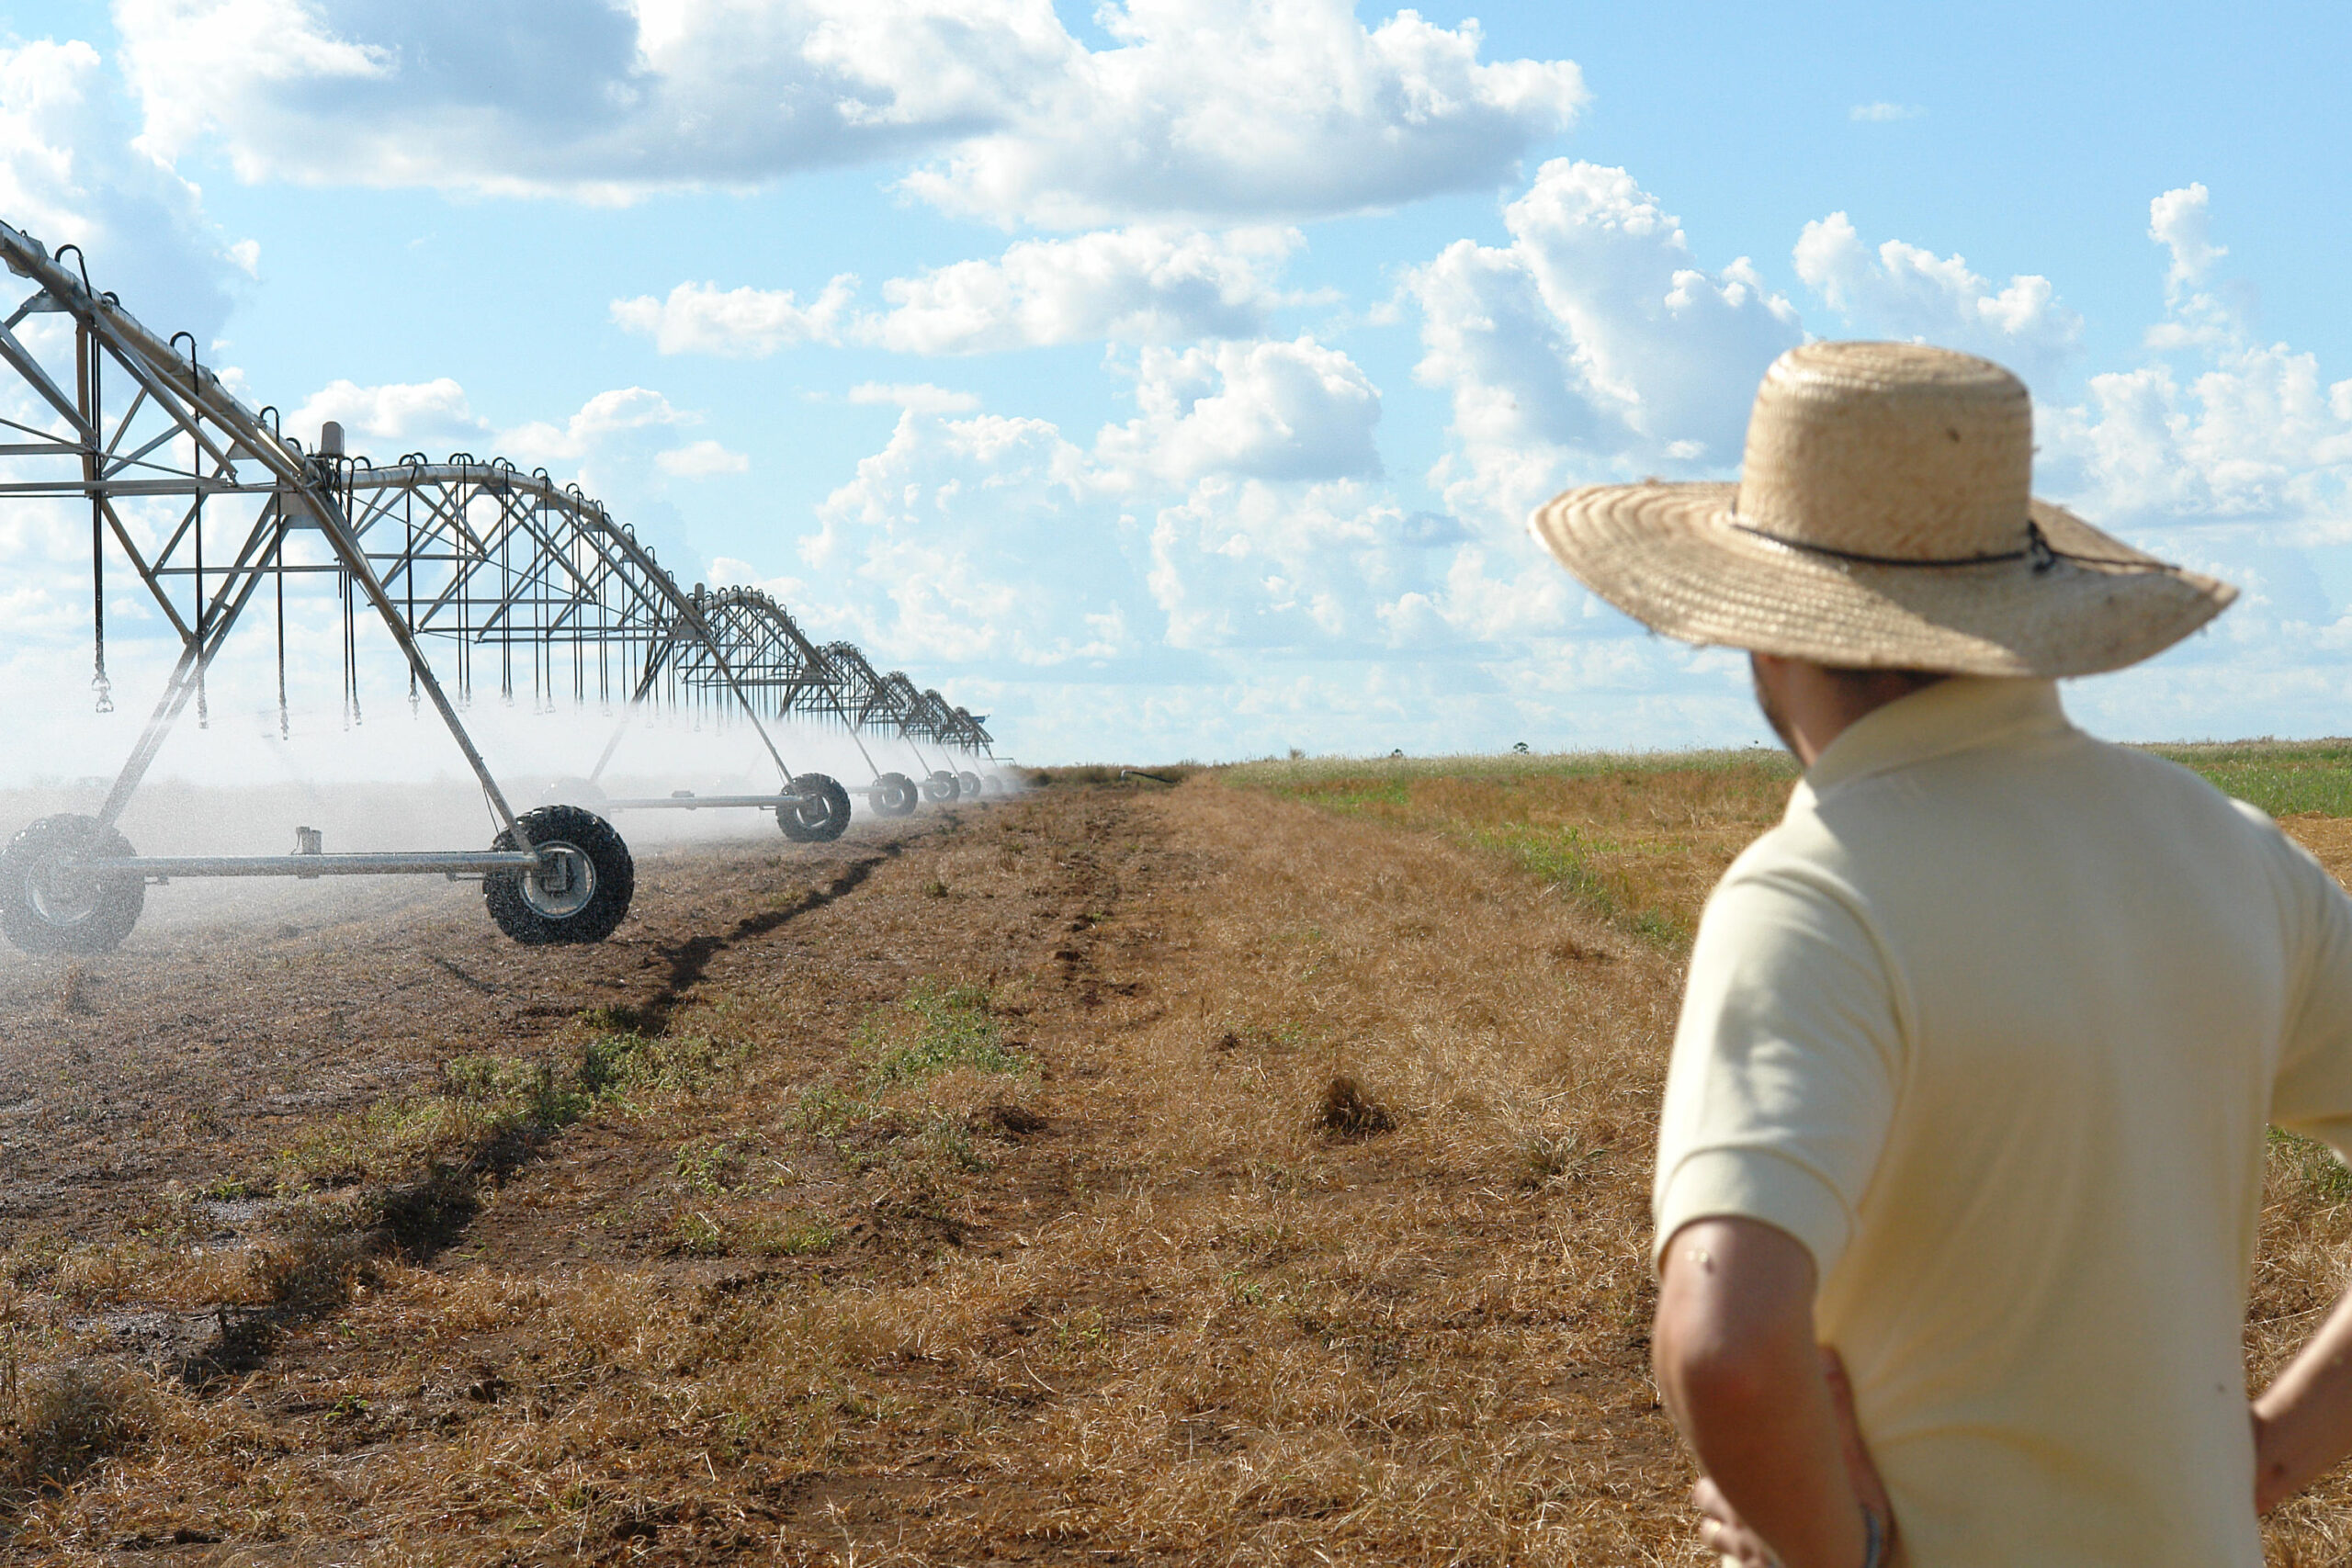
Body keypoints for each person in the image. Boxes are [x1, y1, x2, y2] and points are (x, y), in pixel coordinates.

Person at [1530, 340, 2352, 1565]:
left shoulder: (1813, 894)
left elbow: (1728, 1346)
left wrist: (1836, 1552)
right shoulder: (2231, 853)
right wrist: (2266, 1456)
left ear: (1761, 632)